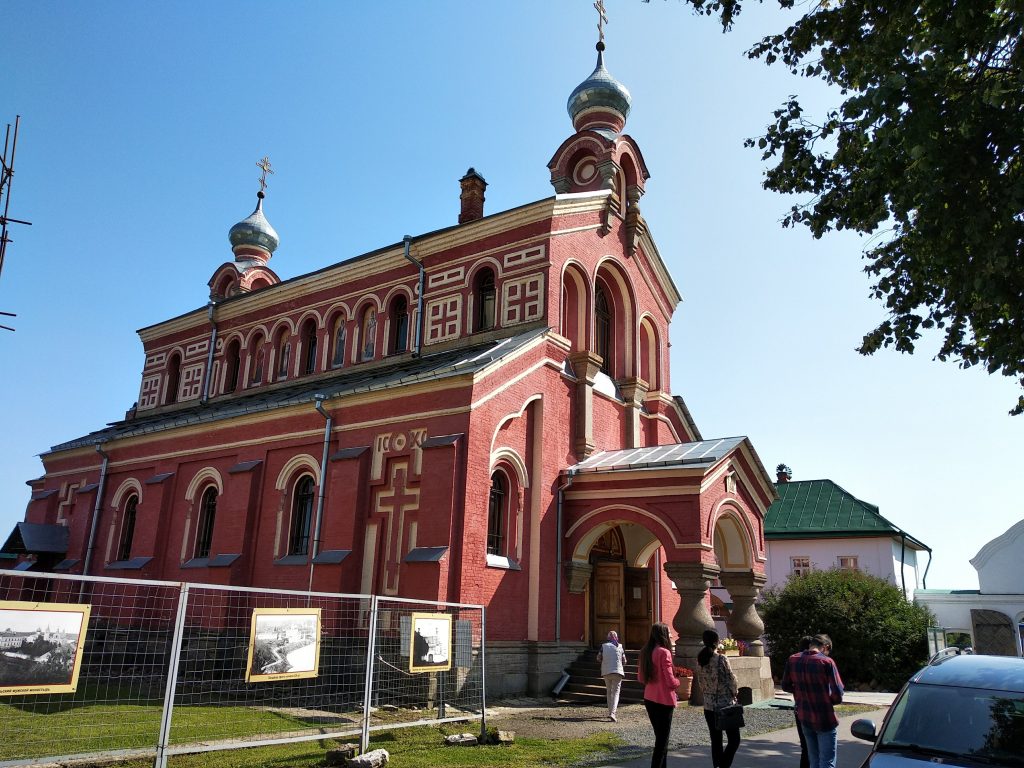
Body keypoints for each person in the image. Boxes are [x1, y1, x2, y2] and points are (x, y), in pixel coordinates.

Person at [782, 633, 844, 768]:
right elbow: (837, 692)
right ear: (826, 647)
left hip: (804, 716)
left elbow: (786, 685)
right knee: (826, 762)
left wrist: (801, 693)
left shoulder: (793, 659)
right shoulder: (827, 662)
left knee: (813, 760)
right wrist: (828, 701)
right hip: (824, 717)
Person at [637, 622, 680, 768]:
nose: (671, 635)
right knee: (662, 741)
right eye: (668, 632)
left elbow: (641, 678)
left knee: (660, 738)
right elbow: (670, 681)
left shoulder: (645, 651)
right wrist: (677, 682)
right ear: (662, 635)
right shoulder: (664, 652)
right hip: (664, 700)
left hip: (649, 698)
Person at [696, 629, 741, 768]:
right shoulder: (722, 659)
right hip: (725, 704)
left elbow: (700, 682)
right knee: (734, 739)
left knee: (716, 740)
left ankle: (717, 765)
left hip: (709, 705)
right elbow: (731, 679)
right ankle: (723, 765)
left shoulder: (701, 659)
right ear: (716, 642)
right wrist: (735, 692)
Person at [597, 629, 627, 721]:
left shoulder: (603, 646)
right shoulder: (620, 647)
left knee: (609, 691)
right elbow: (624, 661)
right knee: (616, 692)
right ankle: (613, 713)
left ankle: (610, 711)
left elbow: (598, 658)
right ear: (616, 637)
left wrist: (604, 660)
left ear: (608, 637)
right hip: (618, 672)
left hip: (606, 671)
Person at [793, 635, 813, 768]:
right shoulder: (820, 661)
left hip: (799, 707)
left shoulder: (793, 661)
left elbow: (785, 685)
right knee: (815, 746)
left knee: (805, 747)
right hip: (816, 707)